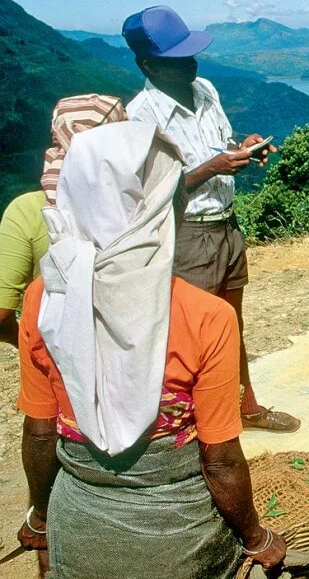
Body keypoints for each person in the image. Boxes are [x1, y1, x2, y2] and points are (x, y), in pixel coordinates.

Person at [16, 122, 286, 578]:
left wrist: (41, 522)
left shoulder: (45, 300)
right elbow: (219, 460)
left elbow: (41, 434)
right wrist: (257, 538)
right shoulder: (207, 316)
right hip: (180, 541)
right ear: (164, 208)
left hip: (79, 533)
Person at [123, 5, 299, 432]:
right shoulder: (140, 116)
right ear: (149, 65)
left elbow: (222, 142)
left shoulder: (204, 89)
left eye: (191, 54)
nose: (192, 63)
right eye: (178, 59)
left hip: (227, 226)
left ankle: (245, 404)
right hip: (187, 235)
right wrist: (213, 168)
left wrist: (244, 146)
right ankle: (187, 426)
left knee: (230, 323)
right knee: (189, 332)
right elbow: (151, 195)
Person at [0, 94, 127, 347]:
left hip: (53, 355)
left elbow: (1, 311)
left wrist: (29, 345)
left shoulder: (27, 211)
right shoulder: (139, 205)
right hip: (127, 353)